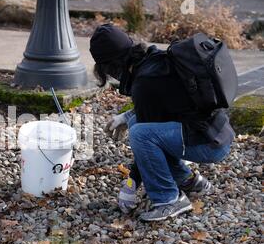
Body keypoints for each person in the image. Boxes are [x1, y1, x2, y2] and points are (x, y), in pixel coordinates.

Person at [89, 25, 235, 222]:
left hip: (208, 144)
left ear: (110, 66)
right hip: (217, 132)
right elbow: (167, 104)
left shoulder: (144, 83)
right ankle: (190, 182)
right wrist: (126, 116)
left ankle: (169, 199)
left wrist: (131, 183)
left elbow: (145, 142)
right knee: (137, 124)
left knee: (140, 133)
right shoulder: (153, 60)